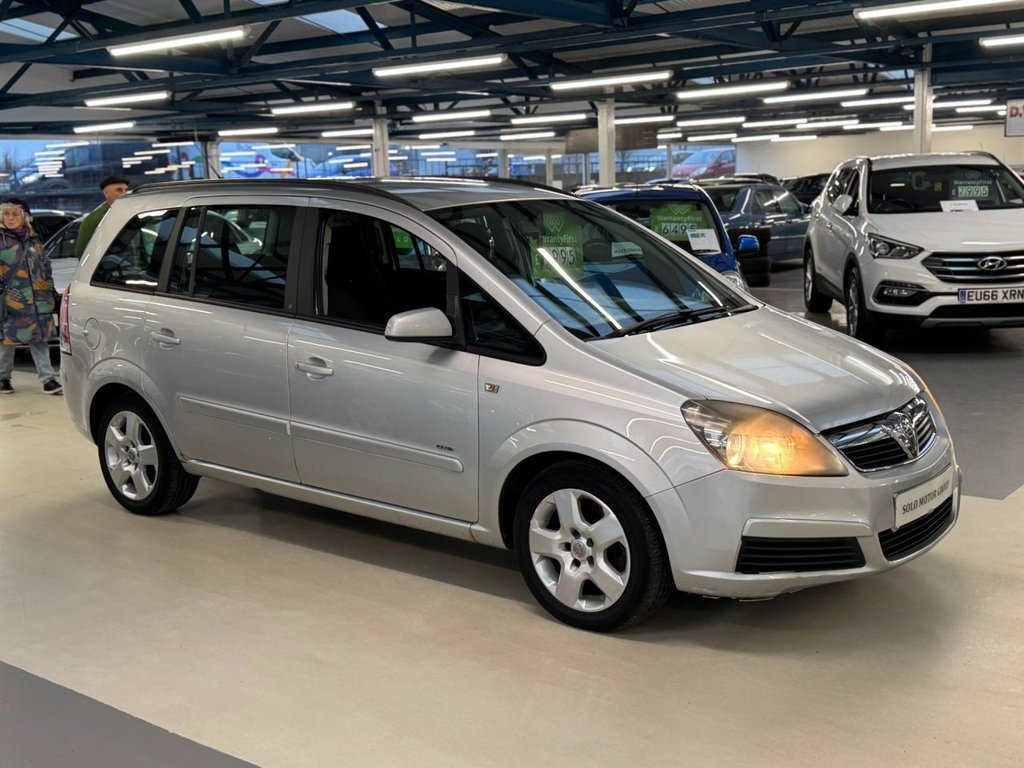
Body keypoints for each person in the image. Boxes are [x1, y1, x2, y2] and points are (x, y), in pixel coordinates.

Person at [0, 198, 61, 395]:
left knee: (40, 340)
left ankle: (48, 379)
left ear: (24, 217)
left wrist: (49, 291)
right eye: (6, 214)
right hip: (11, 301)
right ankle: (3, 378)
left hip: (37, 300)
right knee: (6, 342)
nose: (10, 218)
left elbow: (46, 268)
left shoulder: (34, 241)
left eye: (14, 214)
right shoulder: (1, 240)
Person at [74, 174, 129, 258]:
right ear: (106, 193)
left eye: (126, 190)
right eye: (119, 190)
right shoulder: (93, 219)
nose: (124, 193)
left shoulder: (131, 214)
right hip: (111, 267)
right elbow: (82, 251)